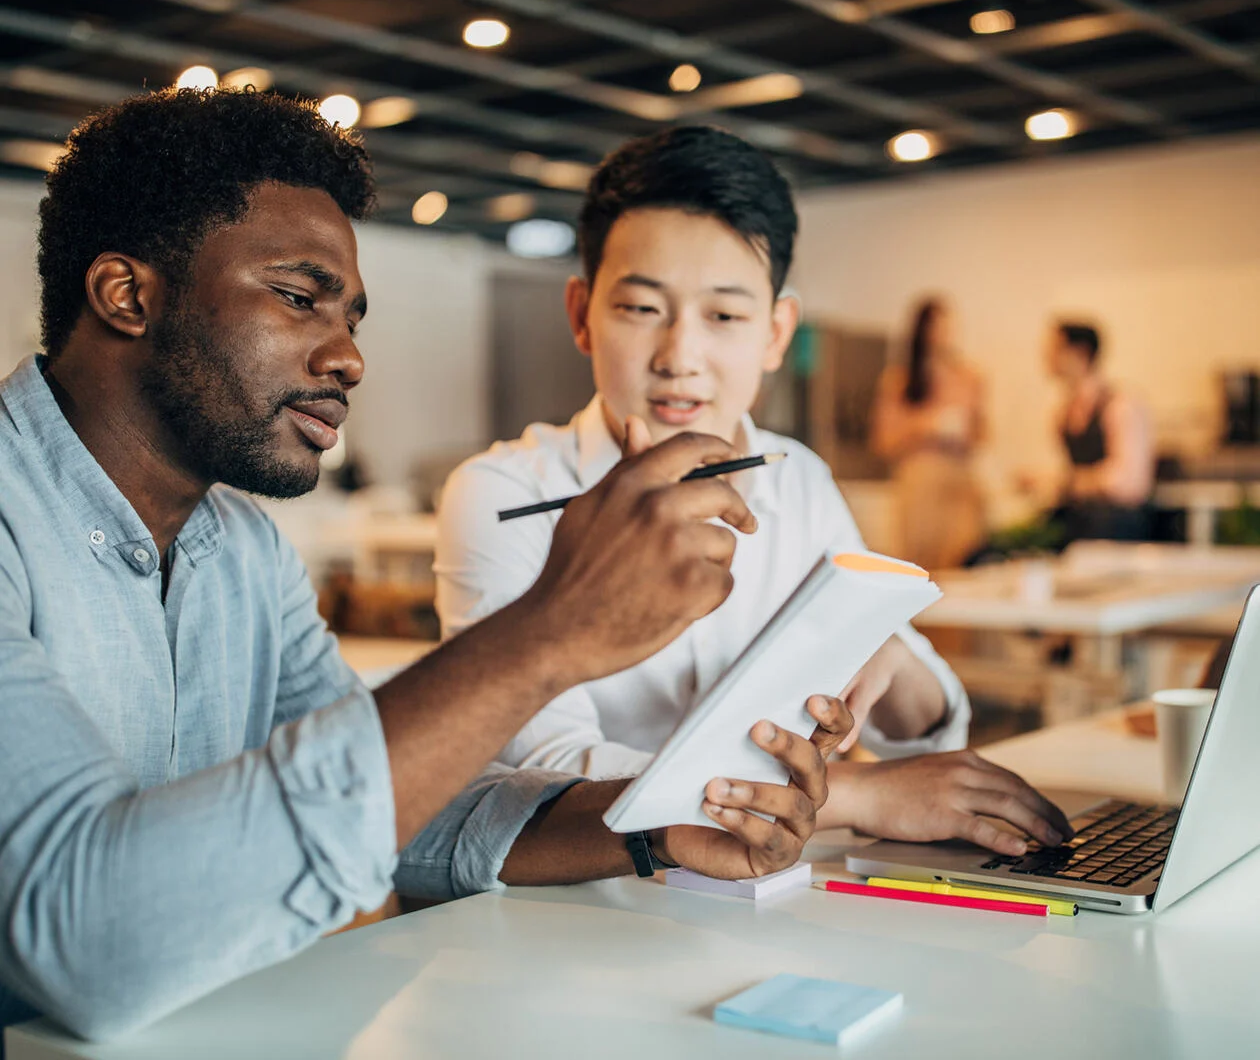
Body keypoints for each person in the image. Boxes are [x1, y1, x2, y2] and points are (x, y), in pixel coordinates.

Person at [0, 90, 853, 1045]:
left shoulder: (242, 550)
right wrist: (548, 633)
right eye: (297, 296)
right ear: (128, 295)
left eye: (352, 317)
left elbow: (408, 814)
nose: (350, 358)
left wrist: (647, 828)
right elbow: (81, 940)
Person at [436, 128, 1071, 857]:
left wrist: (890, 650)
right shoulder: (503, 494)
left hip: (768, 885)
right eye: (642, 309)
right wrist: (859, 798)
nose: (680, 357)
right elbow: (542, 769)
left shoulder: (794, 475)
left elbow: (924, 727)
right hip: (576, 897)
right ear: (582, 314)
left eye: (725, 316)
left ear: (776, 332)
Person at [870, 297, 987, 571]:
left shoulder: (969, 377)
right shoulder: (899, 380)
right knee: (922, 568)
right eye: (938, 326)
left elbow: (982, 436)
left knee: (962, 562)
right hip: (919, 485)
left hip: (959, 483)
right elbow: (883, 442)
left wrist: (961, 432)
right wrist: (923, 427)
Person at [1044, 321, 1155, 542]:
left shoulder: (1121, 405)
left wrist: (1067, 482)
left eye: (1054, 348)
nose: (1047, 356)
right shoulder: (1063, 412)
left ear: (1080, 352)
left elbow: (1130, 482)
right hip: (1077, 519)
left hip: (1114, 525)